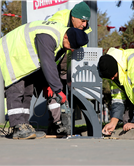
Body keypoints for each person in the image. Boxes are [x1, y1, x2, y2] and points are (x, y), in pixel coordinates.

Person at [0, 20, 89, 140]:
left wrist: (46, 84)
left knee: (28, 91)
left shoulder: (59, 38)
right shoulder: (48, 36)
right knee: (17, 89)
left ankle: (25, 125)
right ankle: (18, 127)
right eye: (71, 46)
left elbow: (49, 65)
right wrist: (58, 90)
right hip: (13, 52)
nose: (71, 49)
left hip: (24, 58)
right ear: (66, 37)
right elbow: (47, 63)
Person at [45, 1, 92, 134]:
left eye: (86, 22)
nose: (84, 24)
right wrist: (49, 79)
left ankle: (73, 126)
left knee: (74, 95)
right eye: (82, 21)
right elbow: (49, 53)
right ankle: (55, 127)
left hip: (70, 67)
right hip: (55, 64)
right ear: (73, 17)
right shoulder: (58, 21)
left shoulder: (84, 27)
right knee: (55, 95)